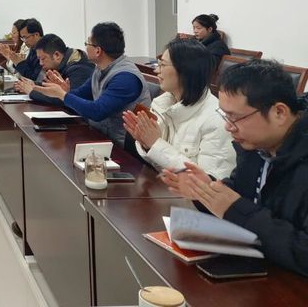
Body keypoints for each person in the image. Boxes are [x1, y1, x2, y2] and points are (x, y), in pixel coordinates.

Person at [160, 60, 308, 276]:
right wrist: (207, 190)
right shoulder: (254, 146)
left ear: (279, 113)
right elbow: (242, 196)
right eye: (225, 116)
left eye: (236, 117)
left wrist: (236, 210)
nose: (228, 127)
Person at [122, 39, 235, 178]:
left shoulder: (217, 120)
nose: (157, 70)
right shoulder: (161, 104)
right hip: (163, 185)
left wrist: (155, 144)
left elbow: (209, 182)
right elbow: (157, 164)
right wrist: (146, 144)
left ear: (186, 70)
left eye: (163, 65)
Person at [36, 22, 150, 147]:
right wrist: (65, 92)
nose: (85, 47)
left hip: (120, 146)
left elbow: (97, 111)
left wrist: (63, 95)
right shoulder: (100, 68)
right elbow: (82, 94)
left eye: (87, 44)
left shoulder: (125, 77)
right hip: (100, 135)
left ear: (98, 51)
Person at [15, 34, 94, 107]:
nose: (40, 63)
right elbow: (56, 90)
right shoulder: (63, 64)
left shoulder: (80, 70)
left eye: (43, 59)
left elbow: (64, 98)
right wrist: (34, 84)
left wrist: (32, 92)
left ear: (57, 55)